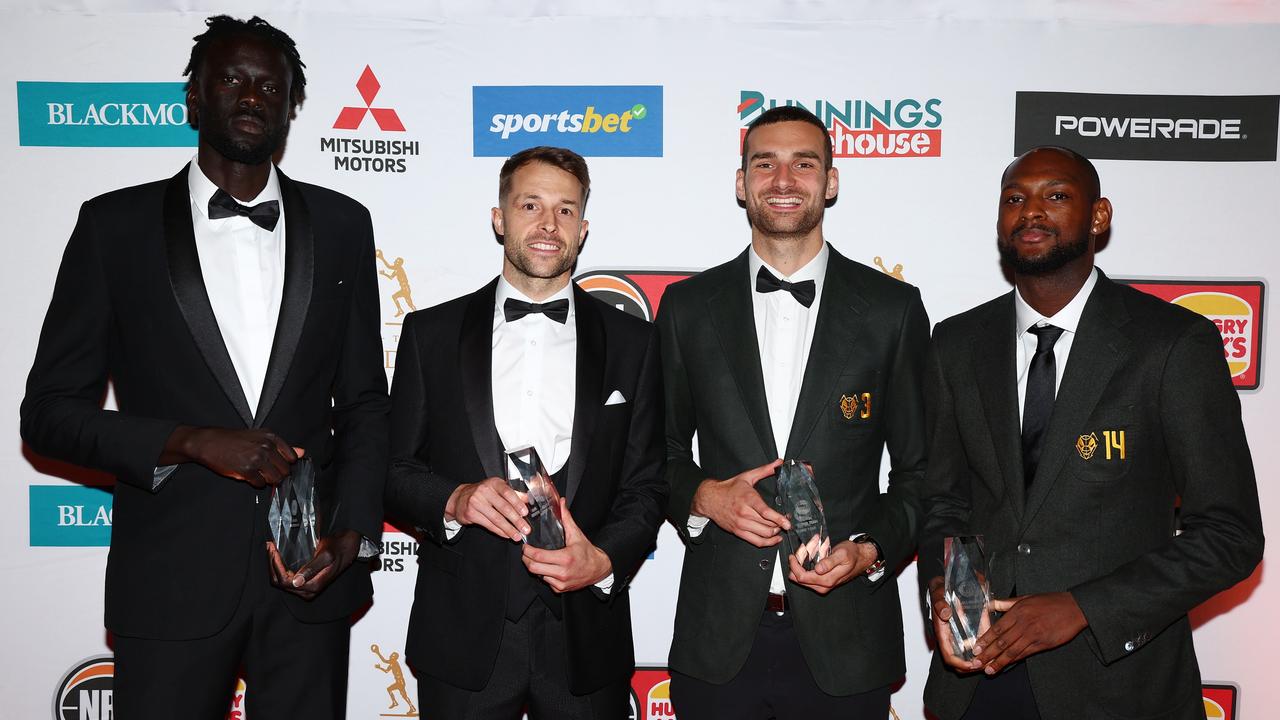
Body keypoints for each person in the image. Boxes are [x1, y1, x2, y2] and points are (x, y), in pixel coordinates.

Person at [20, 15, 389, 719]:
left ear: (290, 109)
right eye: (231, 79)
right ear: (195, 97)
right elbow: (48, 415)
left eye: (270, 86)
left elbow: (367, 402)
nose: (251, 96)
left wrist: (353, 535)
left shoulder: (344, 225)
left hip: (310, 581)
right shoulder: (113, 228)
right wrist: (191, 441)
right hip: (169, 580)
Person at [920, 146, 1264, 720]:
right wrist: (948, 588)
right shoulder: (956, 343)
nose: (1031, 212)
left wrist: (1083, 608)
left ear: (1099, 216)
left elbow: (1230, 534)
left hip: (1117, 686)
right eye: (1014, 199)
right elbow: (944, 502)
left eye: (1056, 196)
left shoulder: (1172, 344)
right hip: (979, 683)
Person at [658, 105, 930, 718]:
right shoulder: (686, 307)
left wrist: (869, 550)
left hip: (848, 638)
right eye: (765, 163)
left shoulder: (893, 310)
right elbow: (658, 454)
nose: (784, 180)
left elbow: (922, 474)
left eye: (804, 164)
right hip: (717, 639)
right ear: (740, 183)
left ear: (831, 182)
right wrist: (704, 497)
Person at [383, 145, 666, 719]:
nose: (547, 224)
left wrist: (604, 559)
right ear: (499, 218)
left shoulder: (634, 344)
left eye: (565, 210)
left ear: (583, 229)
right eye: (530, 204)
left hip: (587, 634)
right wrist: (454, 499)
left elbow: (649, 485)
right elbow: (390, 469)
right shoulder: (429, 334)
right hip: (464, 636)